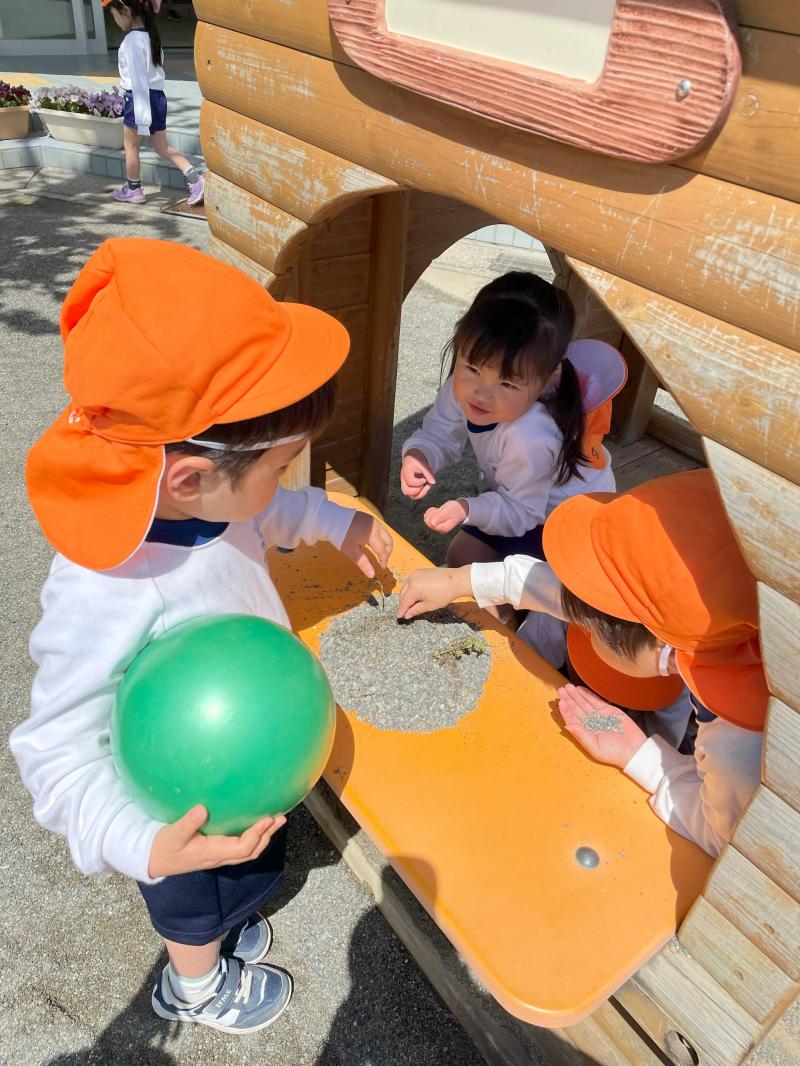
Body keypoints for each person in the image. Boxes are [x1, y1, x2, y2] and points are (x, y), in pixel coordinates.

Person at [11, 238, 393, 1034]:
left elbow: (262, 512)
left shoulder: (214, 498)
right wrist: (145, 845)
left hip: (245, 762)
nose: (285, 482)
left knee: (247, 872)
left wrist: (332, 521)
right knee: (193, 907)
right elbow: (53, 751)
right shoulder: (104, 588)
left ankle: (229, 922)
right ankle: (195, 986)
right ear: (189, 477)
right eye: (282, 465)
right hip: (179, 807)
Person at [397, 469, 766, 858]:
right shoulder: (713, 615)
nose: (579, 625)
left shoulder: (737, 749)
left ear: (660, 644)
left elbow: (722, 836)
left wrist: (640, 757)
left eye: (589, 628)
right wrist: (460, 581)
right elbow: (570, 595)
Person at [400, 272, 626, 574]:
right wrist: (420, 455)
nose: (482, 393)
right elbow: (440, 432)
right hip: (522, 499)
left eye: (507, 383)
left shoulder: (530, 434)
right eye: (472, 367)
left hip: (570, 520)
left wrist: (467, 508)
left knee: (518, 587)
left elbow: (522, 512)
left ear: (548, 381)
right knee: (461, 557)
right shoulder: (464, 385)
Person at [103, 0, 205, 206]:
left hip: (139, 99)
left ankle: (133, 189)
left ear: (126, 11)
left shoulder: (132, 41)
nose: (115, 21)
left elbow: (138, 79)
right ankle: (195, 179)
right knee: (161, 146)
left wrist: (142, 115)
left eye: (115, 16)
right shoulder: (151, 36)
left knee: (131, 146)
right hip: (157, 98)